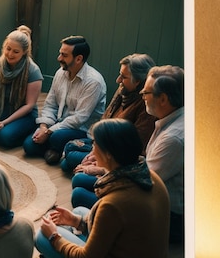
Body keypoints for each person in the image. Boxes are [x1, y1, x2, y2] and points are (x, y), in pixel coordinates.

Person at [36, 118, 170, 258]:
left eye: (94, 145)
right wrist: (77, 221)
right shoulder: (150, 176)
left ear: (108, 155)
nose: (91, 150)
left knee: (41, 236)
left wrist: (53, 238)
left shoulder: (113, 204)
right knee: (82, 211)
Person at [62, 53, 157, 208]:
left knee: (74, 170)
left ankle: (70, 160)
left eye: (123, 77)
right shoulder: (123, 91)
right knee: (70, 147)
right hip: (105, 148)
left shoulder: (146, 108)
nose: (118, 80)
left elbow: (132, 152)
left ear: (138, 81)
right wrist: (95, 152)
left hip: (118, 159)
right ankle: (71, 158)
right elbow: (105, 121)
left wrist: (99, 167)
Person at [23, 35, 106, 165]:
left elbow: (79, 119)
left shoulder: (93, 82)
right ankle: (58, 150)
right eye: (60, 53)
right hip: (59, 123)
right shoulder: (60, 73)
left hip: (81, 129)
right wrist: (44, 126)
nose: (59, 58)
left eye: (64, 55)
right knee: (29, 145)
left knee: (56, 137)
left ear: (78, 59)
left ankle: (59, 148)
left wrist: (49, 131)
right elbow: (50, 104)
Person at [0, 25, 43, 148]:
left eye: (16, 51)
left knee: (4, 138)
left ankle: (27, 129)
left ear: (24, 52)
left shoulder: (33, 71)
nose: (10, 54)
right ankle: (4, 130)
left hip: (23, 115)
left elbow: (29, 105)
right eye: (8, 48)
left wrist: (4, 123)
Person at [140, 65, 184, 244]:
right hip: (158, 198)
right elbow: (148, 166)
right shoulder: (174, 119)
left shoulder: (173, 138)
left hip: (171, 218)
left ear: (163, 99)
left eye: (145, 92)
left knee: (81, 191)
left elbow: (142, 181)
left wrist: (106, 169)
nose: (141, 96)